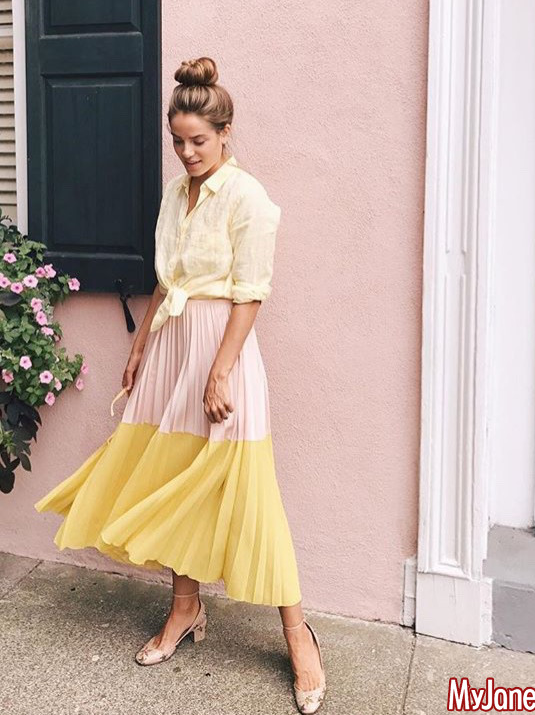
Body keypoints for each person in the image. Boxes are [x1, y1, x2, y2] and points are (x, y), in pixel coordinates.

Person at [34, 56, 327, 713]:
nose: (188, 153)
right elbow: (169, 280)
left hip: (223, 351)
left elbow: (251, 294)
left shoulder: (249, 200)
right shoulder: (175, 194)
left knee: (251, 492)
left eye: (199, 141)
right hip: (172, 346)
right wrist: (140, 346)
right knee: (170, 478)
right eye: (178, 142)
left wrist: (220, 371)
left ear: (225, 134)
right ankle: (185, 609)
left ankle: (297, 634)